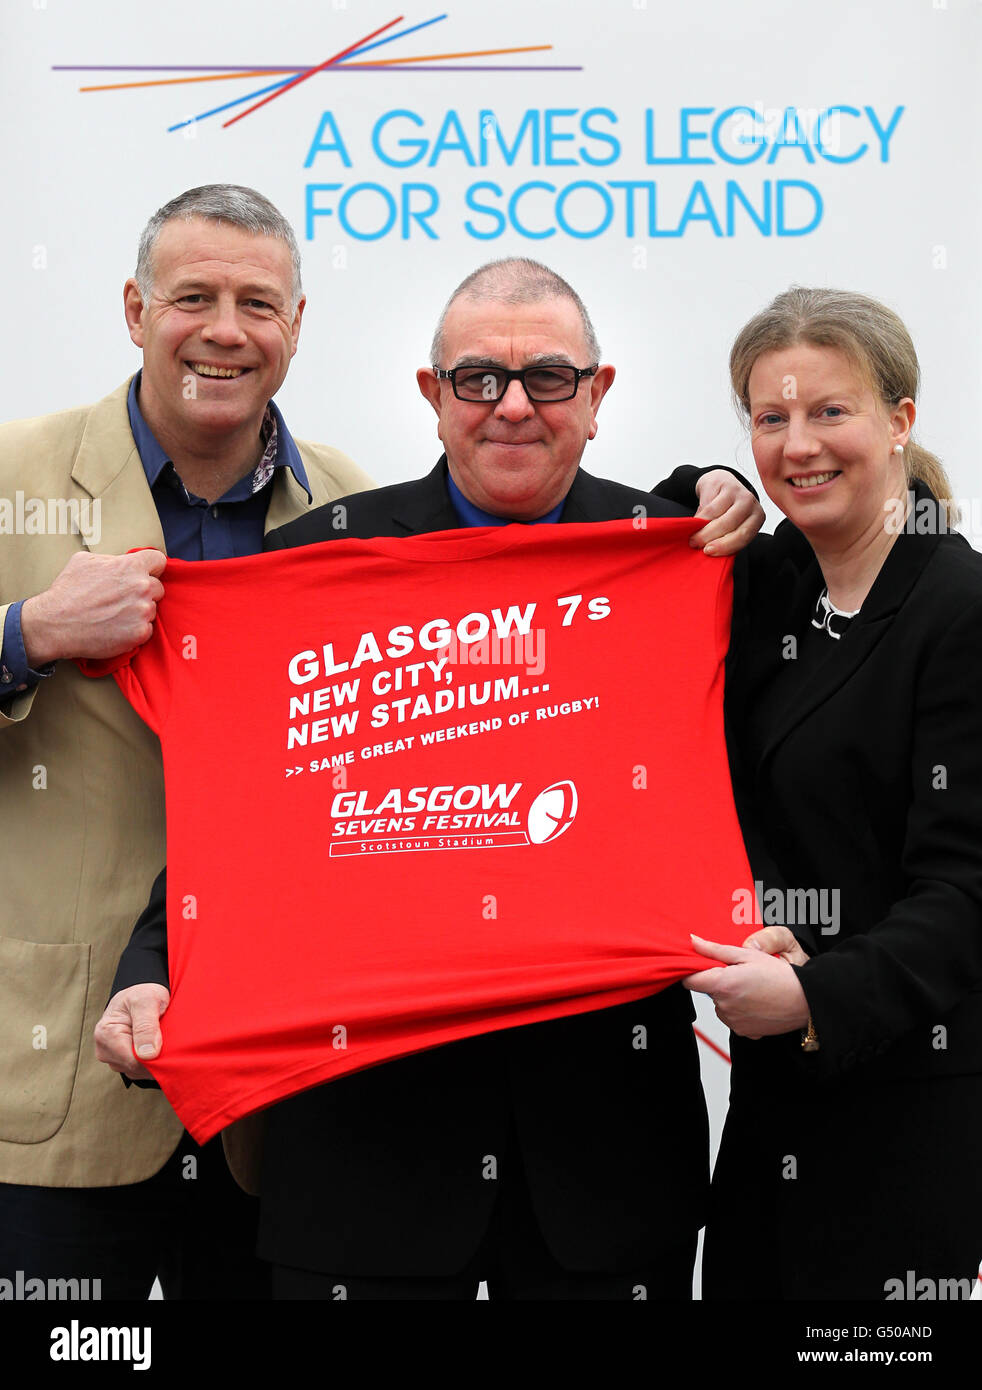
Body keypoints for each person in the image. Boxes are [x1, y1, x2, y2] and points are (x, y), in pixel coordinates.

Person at [97, 257, 765, 1300]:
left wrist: (710, 495)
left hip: (606, 1169)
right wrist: (153, 967)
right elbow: (241, 819)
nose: (511, 406)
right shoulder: (319, 562)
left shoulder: (689, 558)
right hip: (364, 1160)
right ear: (430, 395)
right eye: (475, 379)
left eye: (549, 378)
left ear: (598, 395)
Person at [0, 184, 373, 1299]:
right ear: (133, 309)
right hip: (52, 1079)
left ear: (296, 327)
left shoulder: (358, 512)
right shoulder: (12, 479)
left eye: (258, 302)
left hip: (281, 1099)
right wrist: (27, 634)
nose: (224, 329)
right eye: (192, 296)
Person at [683, 287, 982, 1299]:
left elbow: (963, 894)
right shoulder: (772, 583)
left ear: (900, 418)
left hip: (912, 1119)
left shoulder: (960, 607)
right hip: (771, 1116)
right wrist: (708, 482)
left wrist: (814, 996)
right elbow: (662, 523)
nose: (796, 445)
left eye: (828, 411)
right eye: (769, 418)